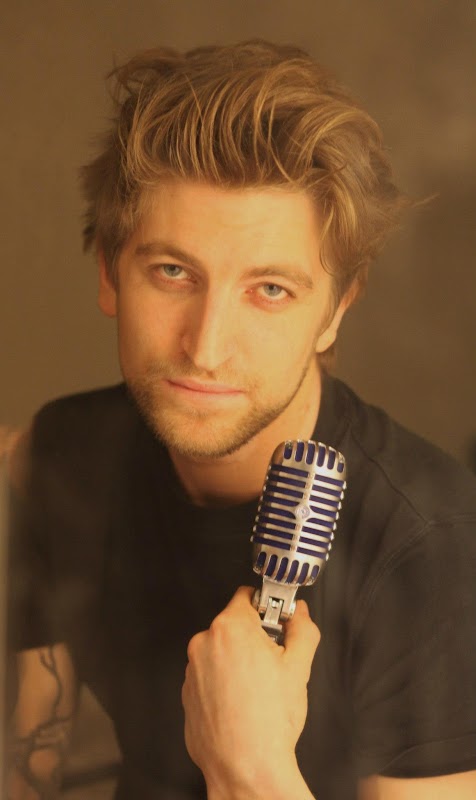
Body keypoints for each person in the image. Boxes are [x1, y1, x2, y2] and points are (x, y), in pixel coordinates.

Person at [6, 40, 476, 800]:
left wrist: (250, 770)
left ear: (336, 310)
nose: (206, 348)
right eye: (172, 272)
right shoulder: (63, 455)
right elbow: (28, 758)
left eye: (270, 290)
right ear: (109, 273)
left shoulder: (431, 547)